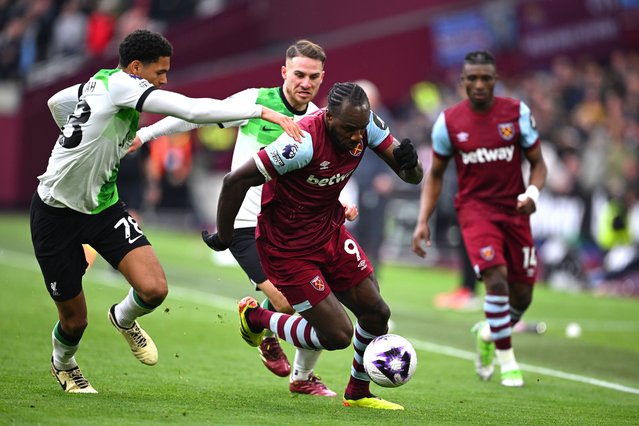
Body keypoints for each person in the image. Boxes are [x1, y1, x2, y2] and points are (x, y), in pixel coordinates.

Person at [31, 29, 301, 394]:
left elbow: (55, 103)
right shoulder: (124, 85)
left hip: (103, 206)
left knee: (154, 289)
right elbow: (190, 109)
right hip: (55, 212)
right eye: (160, 73)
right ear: (137, 68)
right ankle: (64, 364)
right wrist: (262, 110)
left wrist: (83, 140)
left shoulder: (97, 83)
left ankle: (123, 318)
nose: (164, 80)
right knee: (75, 321)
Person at [136, 40, 341, 396]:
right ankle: (264, 324)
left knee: (317, 302)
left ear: (322, 78)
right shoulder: (254, 102)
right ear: (284, 72)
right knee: (287, 302)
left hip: (290, 230)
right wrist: (146, 134)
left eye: (312, 76)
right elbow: (193, 114)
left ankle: (287, 358)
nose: (304, 82)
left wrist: (340, 207)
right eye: (298, 74)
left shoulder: (320, 121)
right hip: (247, 225)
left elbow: (323, 175)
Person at [204, 82, 423, 410]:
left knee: (377, 313)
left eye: (360, 130)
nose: (356, 138)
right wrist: (225, 235)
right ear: (329, 117)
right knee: (337, 335)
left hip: (330, 235)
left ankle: (358, 393)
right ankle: (258, 318)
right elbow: (234, 180)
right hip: (287, 249)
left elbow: (412, 176)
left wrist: (411, 164)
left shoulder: (366, 126)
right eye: (349, 129)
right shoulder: (302, 142)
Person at [411, 51, 547, 387]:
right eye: (472, 78)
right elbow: (436, 174)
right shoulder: (449, 122)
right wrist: (422, 219)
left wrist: (532, 194)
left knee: (523, 296)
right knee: (496, 280)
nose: (479, 84)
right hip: (475, 212)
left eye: (486, 77)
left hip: (515, 211)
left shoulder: (516, 113)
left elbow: (538, 163)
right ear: (463, 83)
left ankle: (488, 332)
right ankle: (508, 362)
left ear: (495, 80)